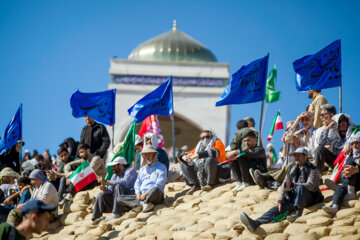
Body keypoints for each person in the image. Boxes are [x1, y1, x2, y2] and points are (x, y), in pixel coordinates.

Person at [240, 147, 324, 232]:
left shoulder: (313, 169)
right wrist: (280, 200)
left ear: (306, 156)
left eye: (299, 156)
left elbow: (310, 185)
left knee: (301, 187)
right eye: (295, 156)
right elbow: (285, 184)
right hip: (295, 197)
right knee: (277, 208)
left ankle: (298, 214)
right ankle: (256, 223)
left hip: (310, 197)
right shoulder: (292, 168)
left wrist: (293, 185)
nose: (296, 158)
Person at [117, 146, 167, 213]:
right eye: (146, 154)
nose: (147, 156)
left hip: (155, 195)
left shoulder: (161, 167)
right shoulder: (143, 169)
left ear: (154, 154)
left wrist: (145, 194)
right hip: (142, 196)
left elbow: (159, 184)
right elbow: (137, 183)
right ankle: (143, 204)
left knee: (155, 190)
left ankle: (141, 203)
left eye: (150, 154)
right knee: (119, 198)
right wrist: (138, 193)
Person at [323, 133, 360, 215]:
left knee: (350, 163)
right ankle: (334, 207)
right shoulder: (350, 157)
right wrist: (343, 175)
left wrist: (357, 169)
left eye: (358, 143)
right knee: (340, 189)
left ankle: (350, 192)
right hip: (351, 182)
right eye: (353, 143)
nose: (355, 145)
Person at [92, 157, 138, 223]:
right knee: (101, 195)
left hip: (129, 200)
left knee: (118, 186)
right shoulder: (114, 176)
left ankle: (117, 214)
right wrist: (105, 189)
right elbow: (110, 191)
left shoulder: (130, 171)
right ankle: (96, 218)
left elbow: (125, 183)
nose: (112, 168)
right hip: (118, 202)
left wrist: (107, 182)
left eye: (114, 166)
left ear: (121, 166)